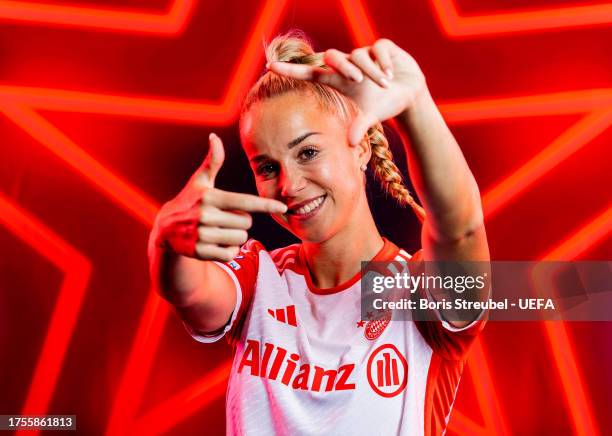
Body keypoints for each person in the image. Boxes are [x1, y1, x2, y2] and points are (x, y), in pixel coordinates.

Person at [148, 29, 490, 436]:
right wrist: (166, 242)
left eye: (308, 152)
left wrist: (416, 106)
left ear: (360, 146)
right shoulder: (258, 276)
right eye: (268, 167)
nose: (289, 185)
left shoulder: (420, 293)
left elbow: (462, 229)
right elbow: (189, 292)